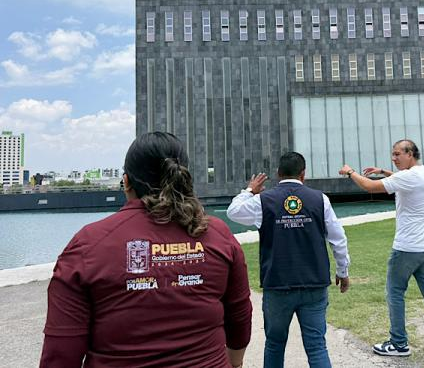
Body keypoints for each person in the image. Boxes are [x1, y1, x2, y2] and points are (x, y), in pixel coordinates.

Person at [40, 132, 252, 368]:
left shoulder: (89, 245)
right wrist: (235, 363)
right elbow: (239, 320)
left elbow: (60, 354)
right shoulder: (217, 234)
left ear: (126, 181)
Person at [339, 139, 424, 366]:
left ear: (410, 154)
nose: (394, 158)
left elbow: (370, 187)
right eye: (392, 154)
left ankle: (399, 343)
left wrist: (350, 172)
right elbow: (401, 179)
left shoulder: (408, 177)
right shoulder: (423, 174)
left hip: (407, 249)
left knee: (394, 293)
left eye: (397, 154)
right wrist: (384, 171)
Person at [227, 151, 350, 368]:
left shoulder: (263, 201)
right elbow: (338, 239)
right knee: (316, 346)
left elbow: (233, 212)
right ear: (303, 174)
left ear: (278, 173)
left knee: (275, 344)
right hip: (314, 282)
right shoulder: (320, 199)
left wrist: (249, 190)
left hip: (278, 284)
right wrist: (343, 271)